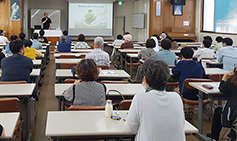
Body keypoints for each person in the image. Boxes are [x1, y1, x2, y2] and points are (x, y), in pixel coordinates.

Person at [125, 57, 185, 141]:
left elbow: (130, 129)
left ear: (145, 79)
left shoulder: (140, 98)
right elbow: (181, 124)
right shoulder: (176, 98)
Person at [207, 65, 237, 141]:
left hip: (232, 117)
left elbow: (222, 88)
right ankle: (232, 135)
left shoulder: (233, 82)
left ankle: (214, 136)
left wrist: (225, 76)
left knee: (218, 110)